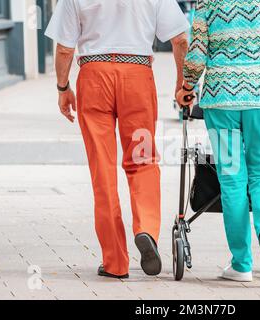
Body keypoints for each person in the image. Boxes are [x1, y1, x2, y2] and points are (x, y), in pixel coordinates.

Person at [45, 0, 190, 279]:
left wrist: (63, 87)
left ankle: (115, 262)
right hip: (137, 78)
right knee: (143, 159)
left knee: (103, 168)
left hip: (94, 76)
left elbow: (64, 48)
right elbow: (181, 39)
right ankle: (146, 229)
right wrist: (181, 83)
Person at [177, 0, 260, 282]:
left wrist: (187, 87)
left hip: (222, 99)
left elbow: (196, 54)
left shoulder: (208, 3)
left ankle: (241, 264)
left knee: (232, 179)